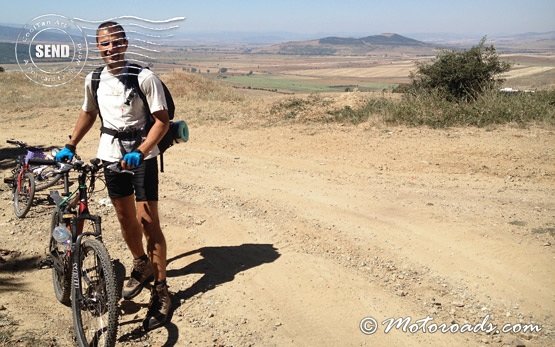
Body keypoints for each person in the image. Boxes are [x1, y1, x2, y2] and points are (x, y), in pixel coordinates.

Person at [55, 21, 171, 331]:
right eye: (104, 43)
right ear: (98, 46)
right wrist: (70, 144)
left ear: (125, 42)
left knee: (148, 221)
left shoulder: (143, 77)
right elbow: (89, 113)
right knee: (124, 219)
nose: (110, 48)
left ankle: (160, 287)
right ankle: (141, 263)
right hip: (111, 156)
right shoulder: (94, 79)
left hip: (142, 158)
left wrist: (142, 149)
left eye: (116, 42)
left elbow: (162, 121)